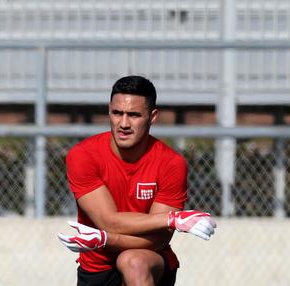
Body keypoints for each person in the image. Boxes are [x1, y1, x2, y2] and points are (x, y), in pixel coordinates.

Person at [57, 75, 216, 286]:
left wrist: (105, 240)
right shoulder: (83, 155)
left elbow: (157, 240)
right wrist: (172, 219)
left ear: (153, 116)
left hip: (148, 257)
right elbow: (108, 222)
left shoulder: (171, 163)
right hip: (97, 266)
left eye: (134, 115)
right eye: (117, 113)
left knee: (133, 261)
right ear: (109, 112)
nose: (123, 123)